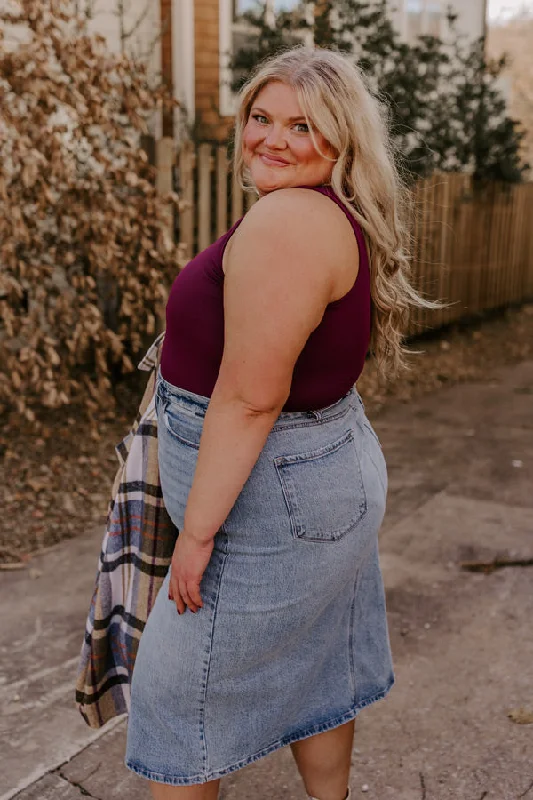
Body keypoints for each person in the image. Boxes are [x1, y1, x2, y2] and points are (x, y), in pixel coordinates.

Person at [125, 45, 427, 800]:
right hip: (317, 471)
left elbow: (249, 399)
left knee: (175, 706)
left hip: (267, 498)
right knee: (319, 657)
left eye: (303, 127)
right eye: (261, 117)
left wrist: (196, 537)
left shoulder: (287, 222)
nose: (271, 139)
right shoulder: (319, 207)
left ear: (342, 141)